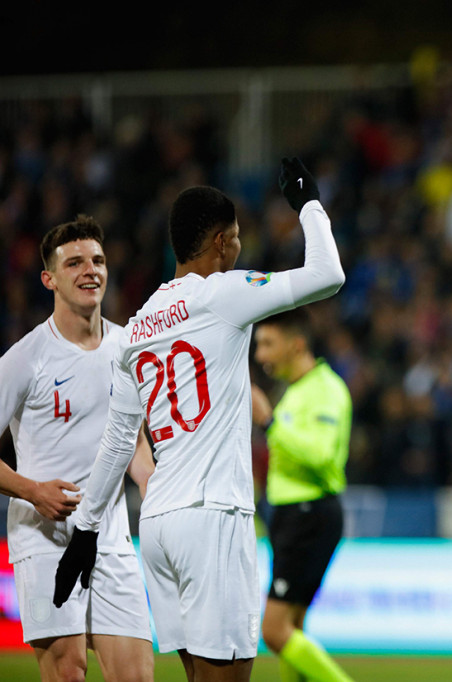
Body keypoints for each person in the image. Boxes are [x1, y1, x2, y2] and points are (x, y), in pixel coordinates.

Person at [52, 157, 346, 682]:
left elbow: (119, 441)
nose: (237, 250)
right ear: (219, 242)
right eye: (234, 239)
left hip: (160, 525)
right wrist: (309, 204)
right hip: (213, 515)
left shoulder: (138, 325)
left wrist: (87, 530)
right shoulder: (223, 294)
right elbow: (328, 274)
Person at [0, 215, 155, 682]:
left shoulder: (129, 347)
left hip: (111, 536)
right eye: (74, 263)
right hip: (45, 535)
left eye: (98, 260)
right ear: (49, 278)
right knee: (68, 672)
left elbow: (134, 443)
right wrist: (31, 491)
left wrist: (154, 491)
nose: (91, 270)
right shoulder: (26, 358)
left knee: (137, 676)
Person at [251, 307, 354, 682]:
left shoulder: (325, 389)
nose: (259, 355)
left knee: (274, 631)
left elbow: (322, 454)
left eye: (267, 344)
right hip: (291, 515)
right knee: (292, 626)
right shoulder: (296, 390)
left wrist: (269, 422)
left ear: (296, 345)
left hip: (309, 513)